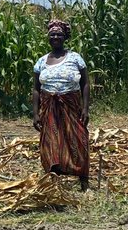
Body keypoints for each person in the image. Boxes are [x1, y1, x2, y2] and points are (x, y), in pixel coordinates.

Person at [32, 19, 90, 190]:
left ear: (65, 37)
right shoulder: (41, 61)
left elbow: (85, 83)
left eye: (59, 34)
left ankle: (83, 179)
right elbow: (36, 89)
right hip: (49, 106)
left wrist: (85, 108)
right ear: (48, 37)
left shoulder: (75, 58)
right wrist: (35, 113)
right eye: (52, 35)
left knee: (78, 139)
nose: (55, 37)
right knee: (51, 142)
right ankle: (54, 179)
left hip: (71, 105)